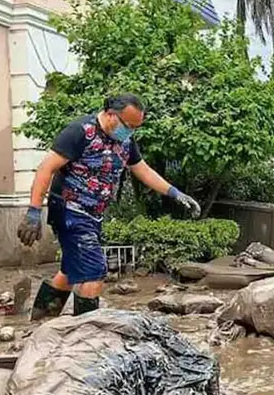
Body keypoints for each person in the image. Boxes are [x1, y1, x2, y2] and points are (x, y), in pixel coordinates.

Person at [16, 93, 200, 319]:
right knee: (94, 272)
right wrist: (34, 211)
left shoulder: (125, 141)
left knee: (70, 270)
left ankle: (41, 320)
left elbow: (142, 170)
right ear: (112, 114)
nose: (130, 132)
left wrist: (175, 193)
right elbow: (46, 168)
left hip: (94, 215)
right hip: (70, 210)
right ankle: (85, 335)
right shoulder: (80, 132)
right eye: (128, 125)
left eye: (135, 128)